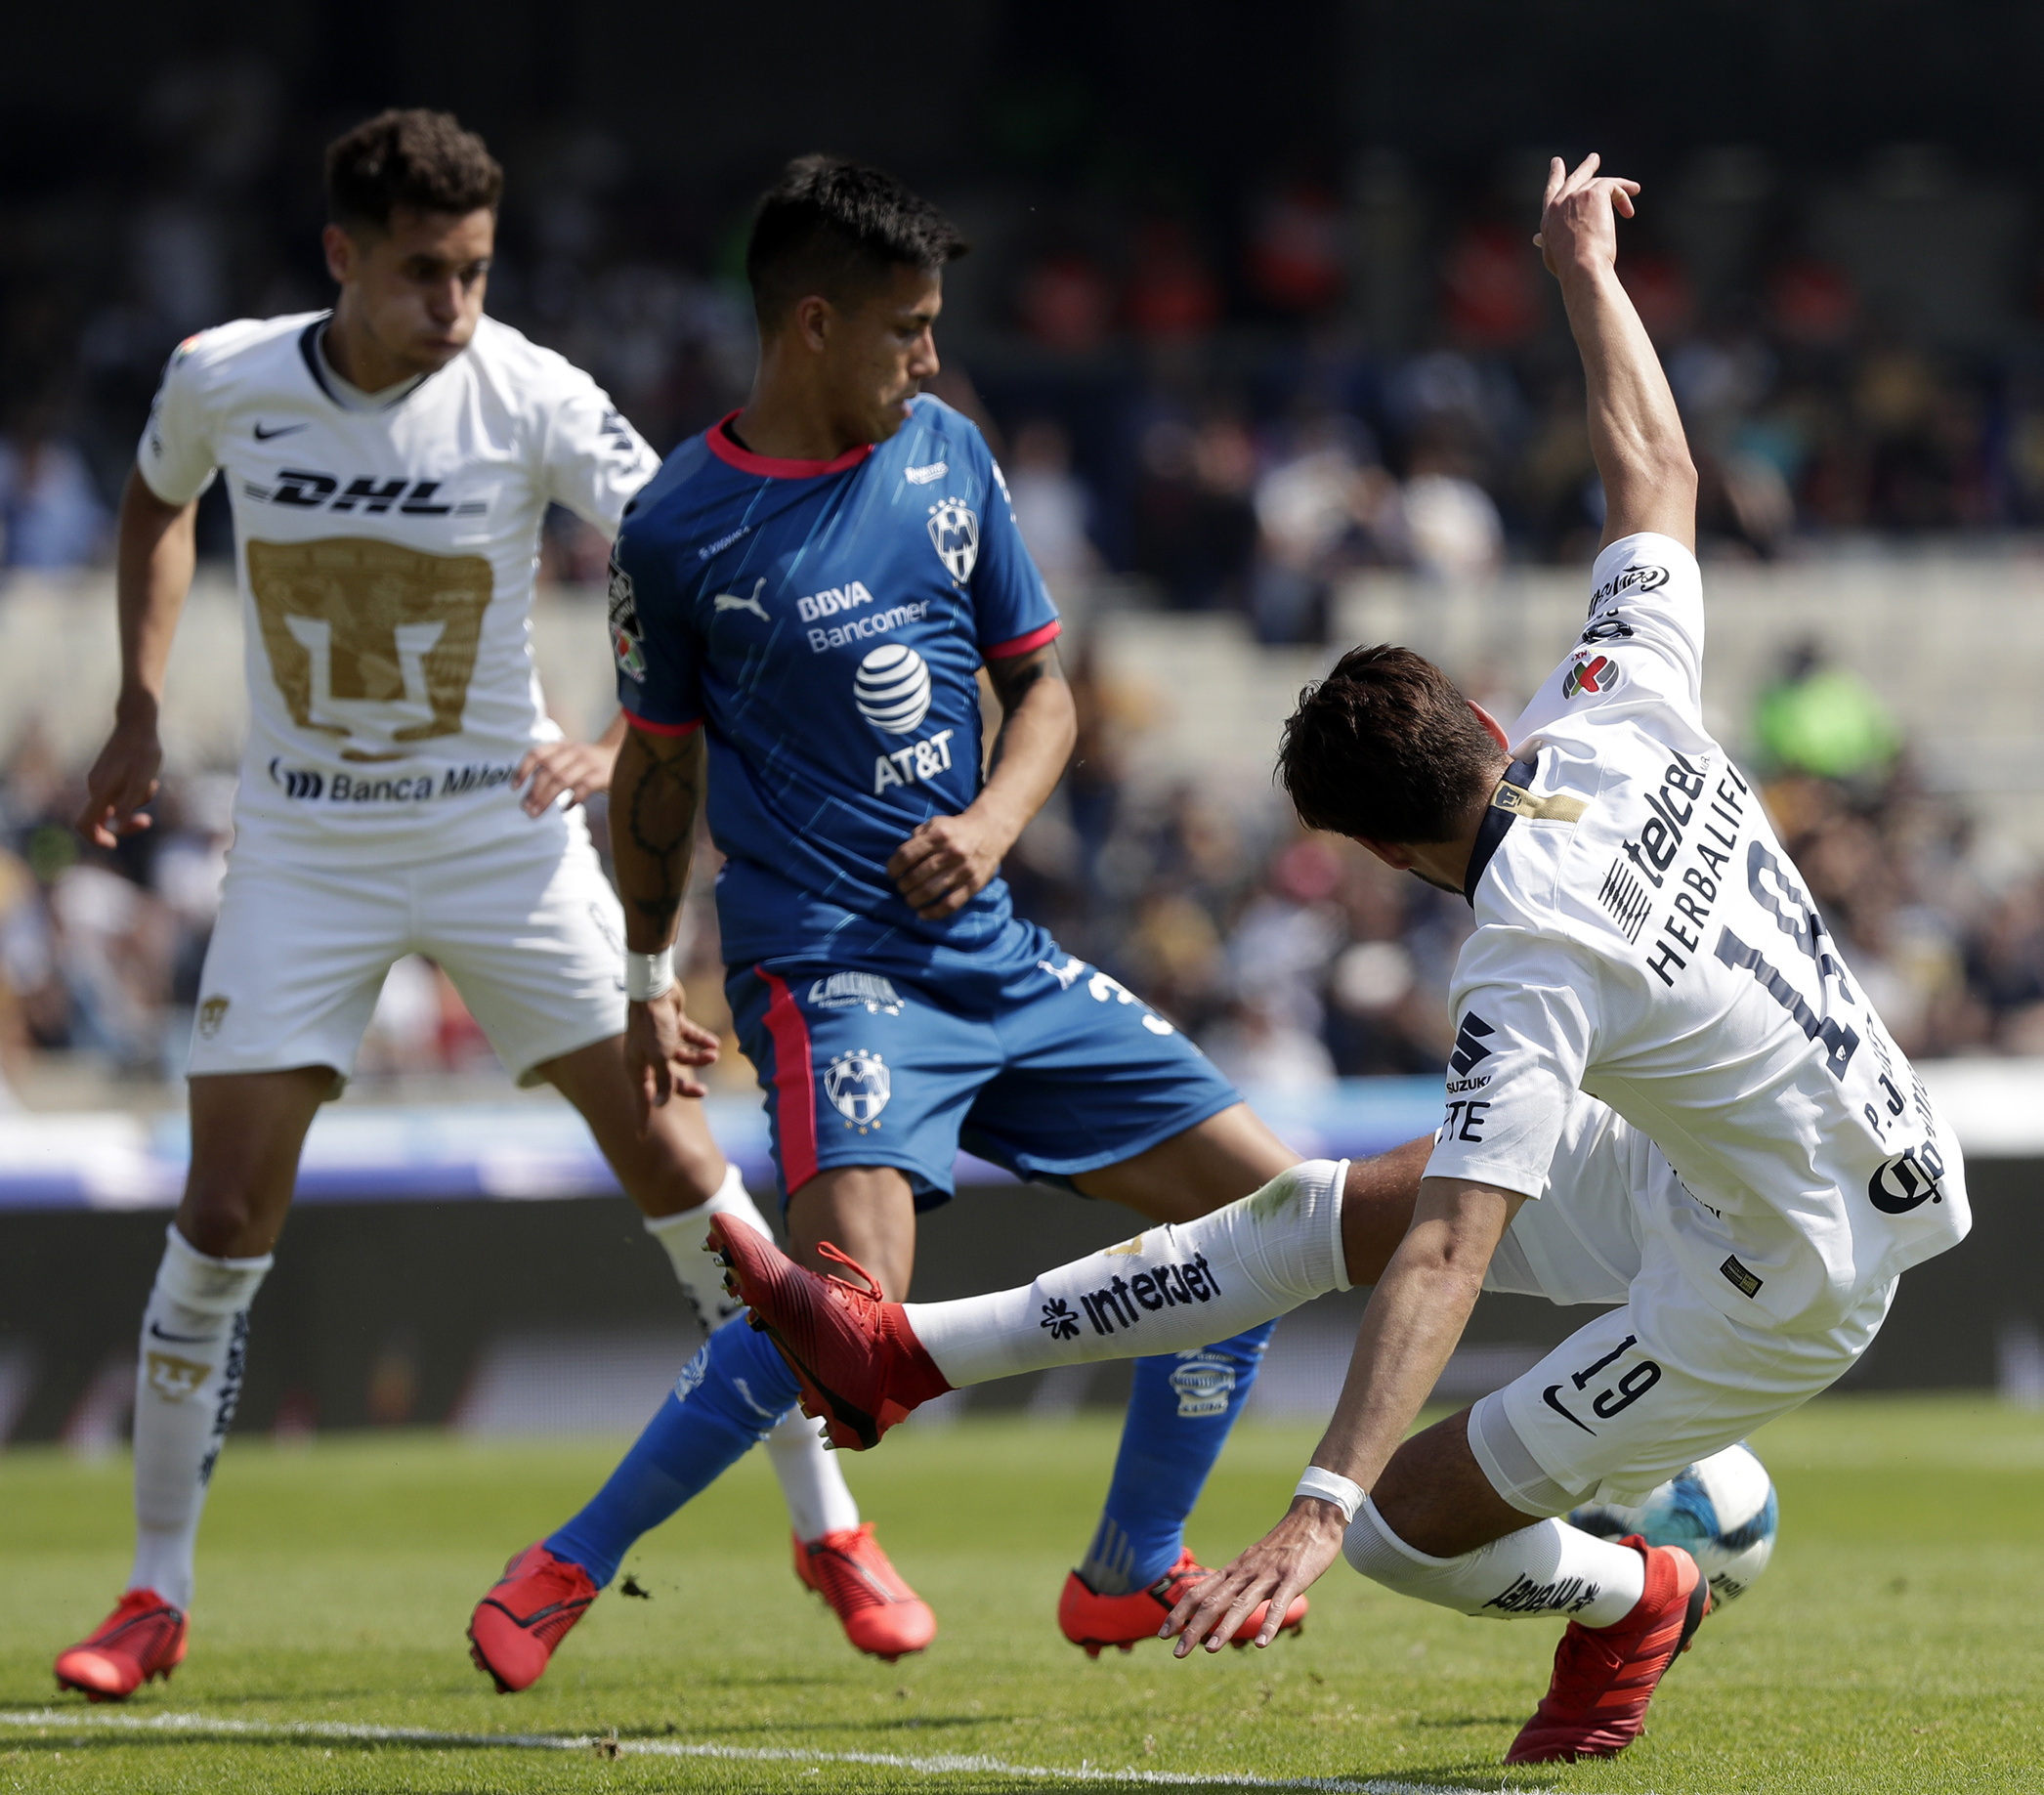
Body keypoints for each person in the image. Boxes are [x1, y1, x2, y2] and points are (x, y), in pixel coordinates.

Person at [711, 153, 1972, 1766]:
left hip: (1782, 1271)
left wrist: (1320, 1506)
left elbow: (1455, 1254)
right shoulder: (1618, 709)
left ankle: (1634, 1592)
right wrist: (1583, 267)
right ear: (1495, 721)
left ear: (1379, 855)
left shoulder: (1525, 962)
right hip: (1747, 1153)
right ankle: (912, 1352)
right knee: (1325, 1207)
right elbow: (1658, 472)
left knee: (1402, 1527)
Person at [52, 109, 911, 1704]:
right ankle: (153, 1590)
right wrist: (137, 701)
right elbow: (156, 500)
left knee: (685, 1170)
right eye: (427, 274)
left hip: (502, 840)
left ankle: (832, 1524)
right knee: (225, 1211)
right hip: (304, 845)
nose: (458, 306)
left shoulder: (526, 391)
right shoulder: (224, 375)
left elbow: (689, 542)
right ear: (342, 258)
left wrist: (615, 737)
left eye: (478, 272)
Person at [466, 155, 1311, 1687]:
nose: (929, 357)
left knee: (1282, 1223)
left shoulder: (948, 456)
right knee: (852, 1322)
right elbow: (657, 775)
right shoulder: (680, 525)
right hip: (832, 971)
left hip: (993, 955)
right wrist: (652, 970)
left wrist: (992, 823)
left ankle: (1129, 1568)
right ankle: (567, 1561)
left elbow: (1045, 691)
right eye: (907, 327)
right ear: (811, 326)